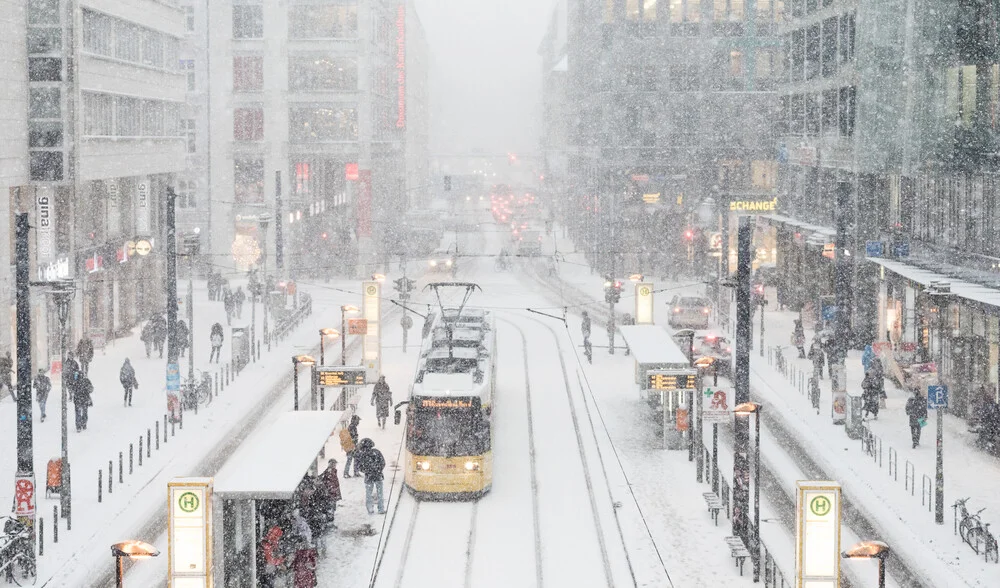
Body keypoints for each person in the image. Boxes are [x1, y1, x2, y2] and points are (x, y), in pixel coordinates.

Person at [355, 438, 386, 514]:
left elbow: (359, 467)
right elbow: (383, 462)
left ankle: (370, 509)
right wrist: (378, 469)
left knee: (369, 494)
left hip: (369, 477)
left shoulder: (362, 455)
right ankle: (381, 509)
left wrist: (367, 471)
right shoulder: (376, 452)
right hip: (378, 476)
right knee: (380, 493)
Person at [319, 459, 342, 528]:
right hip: (331, 495)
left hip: (331, 495)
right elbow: (330, 485)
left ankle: (329, 523)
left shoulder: (331, 472)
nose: (335, 465)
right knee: (330, 509)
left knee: (331, 509)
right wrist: (333, 492)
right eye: (333, 464)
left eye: (335, 464)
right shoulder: (329, 473)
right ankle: (330, 524)